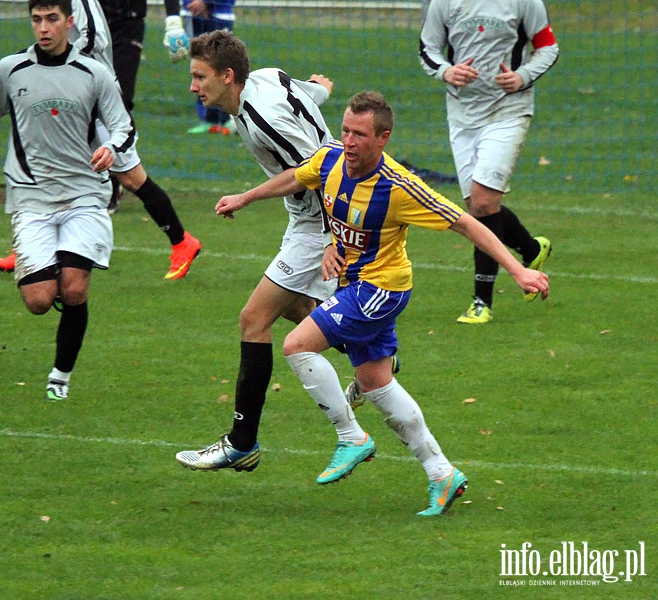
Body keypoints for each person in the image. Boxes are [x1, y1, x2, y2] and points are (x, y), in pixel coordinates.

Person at [204, 91, 549, 516]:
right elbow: (298, 177)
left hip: (381, 288)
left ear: (382, 138)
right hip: (356, 284)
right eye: (345, 130)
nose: (348, 141)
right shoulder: (330, 160)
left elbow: (465, 223)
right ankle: (442, 474)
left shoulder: (398, 186)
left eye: (360, 135)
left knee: (297, 345)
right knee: (377, 384)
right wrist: (246, 197)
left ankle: (351, 437)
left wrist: (518, 270)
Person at [174, 30, 340, 474]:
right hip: (306, 219)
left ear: (228, 76)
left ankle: (242, 442)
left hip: (319, 221)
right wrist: (321, 89)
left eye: (200, 77)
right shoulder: (267, 77)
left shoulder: (260, 118)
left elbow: (318, 172)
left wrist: (247, 198)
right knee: (299, 308)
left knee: (254, 319)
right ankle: (373, 347)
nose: (193, 87)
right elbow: (304, 96)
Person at [0, 0, 134, 401]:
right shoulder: (10, 69)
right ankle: (55, 272)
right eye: (36, 19)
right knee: (39, 301)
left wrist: (112, 149)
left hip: (86, 194)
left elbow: (124, 126)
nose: (44, 28)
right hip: (30, 198)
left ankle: (60, 375)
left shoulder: (93, 72)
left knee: (73, 290)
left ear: (69, 23)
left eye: (52, 19)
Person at [0, 0, 201, 280]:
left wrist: (47, 62)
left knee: (131, 177)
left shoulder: (81, 5)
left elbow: (91, 40)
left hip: (93, 100)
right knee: (41, 160)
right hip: (67, 96)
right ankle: (28, 249)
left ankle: (181, 241)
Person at [419, 0, 559, 324]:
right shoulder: (444, 4)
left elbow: (548, 47)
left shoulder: (525, 3)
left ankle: (481, 302)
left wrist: (523, 75)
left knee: (482, 200)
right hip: (462, 116)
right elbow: (428, 48)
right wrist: (446, 70)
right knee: (479, 208)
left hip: (508, 110)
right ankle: (531, 249)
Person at [181, 1, 236, 134]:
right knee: (201, 65)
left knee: (219, 63)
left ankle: (225, 116)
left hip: (219, 14)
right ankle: (209, 118)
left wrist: (206, 2)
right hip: (194, 13)